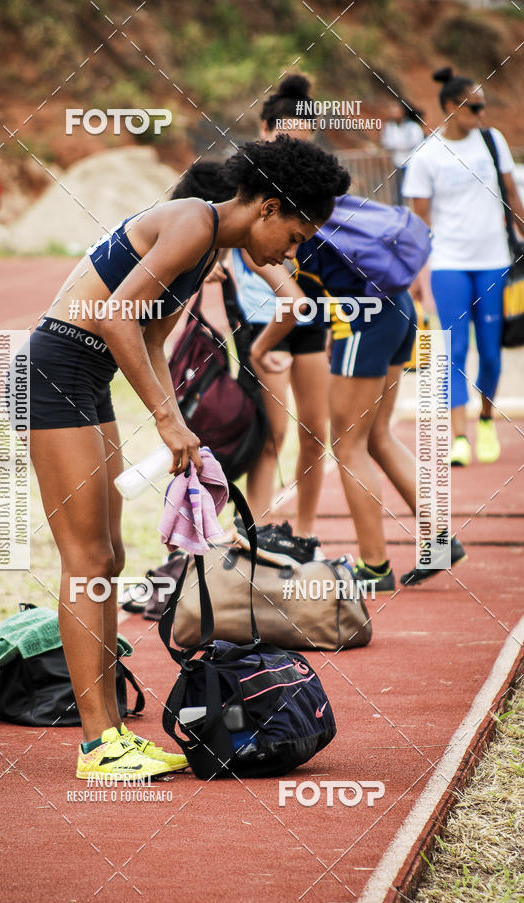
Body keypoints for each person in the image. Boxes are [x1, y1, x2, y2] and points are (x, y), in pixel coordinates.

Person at [25, 136, 349, 779]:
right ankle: (98, 744)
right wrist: (168, 422)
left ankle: (112, 731)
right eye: (294, 235)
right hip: (57, 369)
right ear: (267, 208)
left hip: (86, 376)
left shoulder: (207, 245)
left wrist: (183, 431)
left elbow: (149, 338)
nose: (292, 253)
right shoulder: (193, 222)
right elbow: (115, 317)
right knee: (86, 560)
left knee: (109, 558)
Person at [250, 220, 467, 591]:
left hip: (364, 320)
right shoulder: (322, 215)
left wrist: (259, 348)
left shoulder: (279, 227)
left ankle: (374, 567)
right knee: (378, 436)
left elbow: (295, 304)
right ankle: (440, 539)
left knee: (348, 445)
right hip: (398, 308)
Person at [231, 75, 333, 566]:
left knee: (315, 431)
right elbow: (229, 230)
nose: (293, 139)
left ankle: (305, 534)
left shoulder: (316, 181)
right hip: (262, 316)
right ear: (265, 127)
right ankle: (257, 534)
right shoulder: (248, 178)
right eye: (284, 130)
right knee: (272, 434)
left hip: (310, 313)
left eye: (303, 131)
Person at [402, 67, 524, 466]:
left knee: (490, 353)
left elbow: (512, 196)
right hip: (448, 263)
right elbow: (419, 222)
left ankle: (485, 419)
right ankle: (459, 437)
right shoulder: (427, 155)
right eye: (474, 107)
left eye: (483, 106)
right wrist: (415, 273)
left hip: (493, 261)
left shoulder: (492, 140)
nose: (482, 114)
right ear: (451, 108)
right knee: (454, 349)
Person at [381, 99, 425, 205]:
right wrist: (402, 144)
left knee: (414, 192)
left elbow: (417, 142)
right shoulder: (389, 127)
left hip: (412, 164)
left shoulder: (413, 126)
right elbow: (387, 142)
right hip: (398, 164)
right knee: (398, 194)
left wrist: (399, 145)